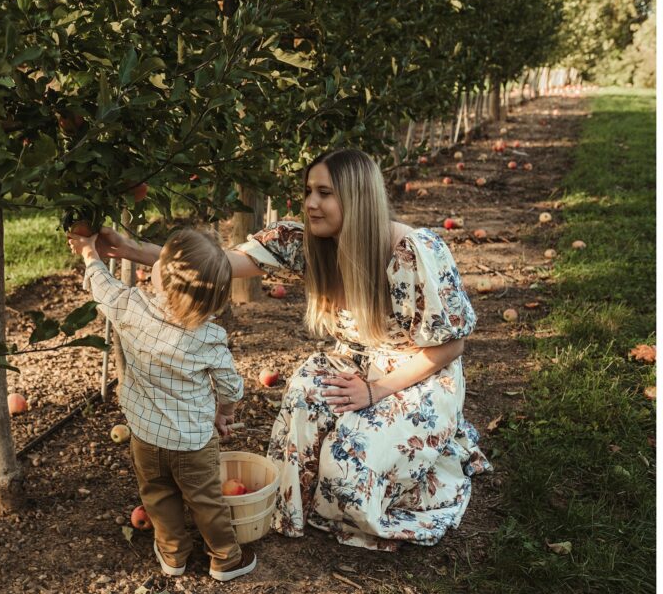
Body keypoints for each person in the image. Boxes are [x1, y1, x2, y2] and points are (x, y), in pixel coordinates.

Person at [83, 149, 492, 551]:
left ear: (357, 197)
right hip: (353, 361)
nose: (311, 203)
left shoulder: (414, 252)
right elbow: (212, 266)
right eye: (309, 191)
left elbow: (452, 344)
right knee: (301, 402)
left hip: (415, 373)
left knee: (351, 470)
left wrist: (376, 391)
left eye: (325, 193)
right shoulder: (307, 242)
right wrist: (130, 248)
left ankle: (406, 467)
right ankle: (307, 504)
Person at [67, 227, 258, 580]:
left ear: (161, 279)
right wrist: (224, 412)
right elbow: (230, 386)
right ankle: (225, 558)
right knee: (206, 501)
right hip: (193, 443)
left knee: (157, 496)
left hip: (145, 436)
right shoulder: (210, 336)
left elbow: (102, 287)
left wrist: (89, 252)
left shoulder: (130, 308)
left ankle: (173, 556)